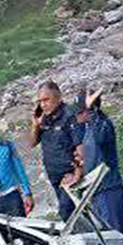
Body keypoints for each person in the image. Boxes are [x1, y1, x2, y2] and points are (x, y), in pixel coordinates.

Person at [73, 90, 123, 244]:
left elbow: (101, 138)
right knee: (113, 239)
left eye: (80, 111)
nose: (76, 115)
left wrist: (92, 110)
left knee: (118, 240)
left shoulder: (102, 124)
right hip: (98, 192)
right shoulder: (88, 128)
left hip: (109, 190)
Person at [28, 80, 84, 221]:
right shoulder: (44, 118)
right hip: (54, 174)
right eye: (40, 101)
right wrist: (35, 125)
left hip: (69, 174)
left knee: (67, 212)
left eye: (46, 100)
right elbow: (32, 143)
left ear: (58, 97)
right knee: (73, 215)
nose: (43, 105)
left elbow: (81, 147)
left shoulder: (69, 115)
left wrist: (76, 174)